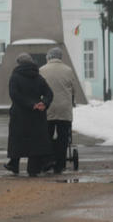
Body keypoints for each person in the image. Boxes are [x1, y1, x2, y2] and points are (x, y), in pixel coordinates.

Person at [5, 52, 53, 177]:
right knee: (35, 141)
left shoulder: (15, 77)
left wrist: (30, 104)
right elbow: (49, 93)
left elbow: (14, 95)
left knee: (17, 139)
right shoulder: (38, 77)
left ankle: (14, 165)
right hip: (37, 115)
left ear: (19, 63)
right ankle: (33, 169)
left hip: (20, 114)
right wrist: (43, 103)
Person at [39, 46, 75, 174]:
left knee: (47, 135)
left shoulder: (42, 70)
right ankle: (60, 164)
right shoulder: (68, 70)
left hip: (47, 107)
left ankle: (48, 160)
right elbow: (73, 88)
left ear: (49, 57)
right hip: (64, 108)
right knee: (63, 137)